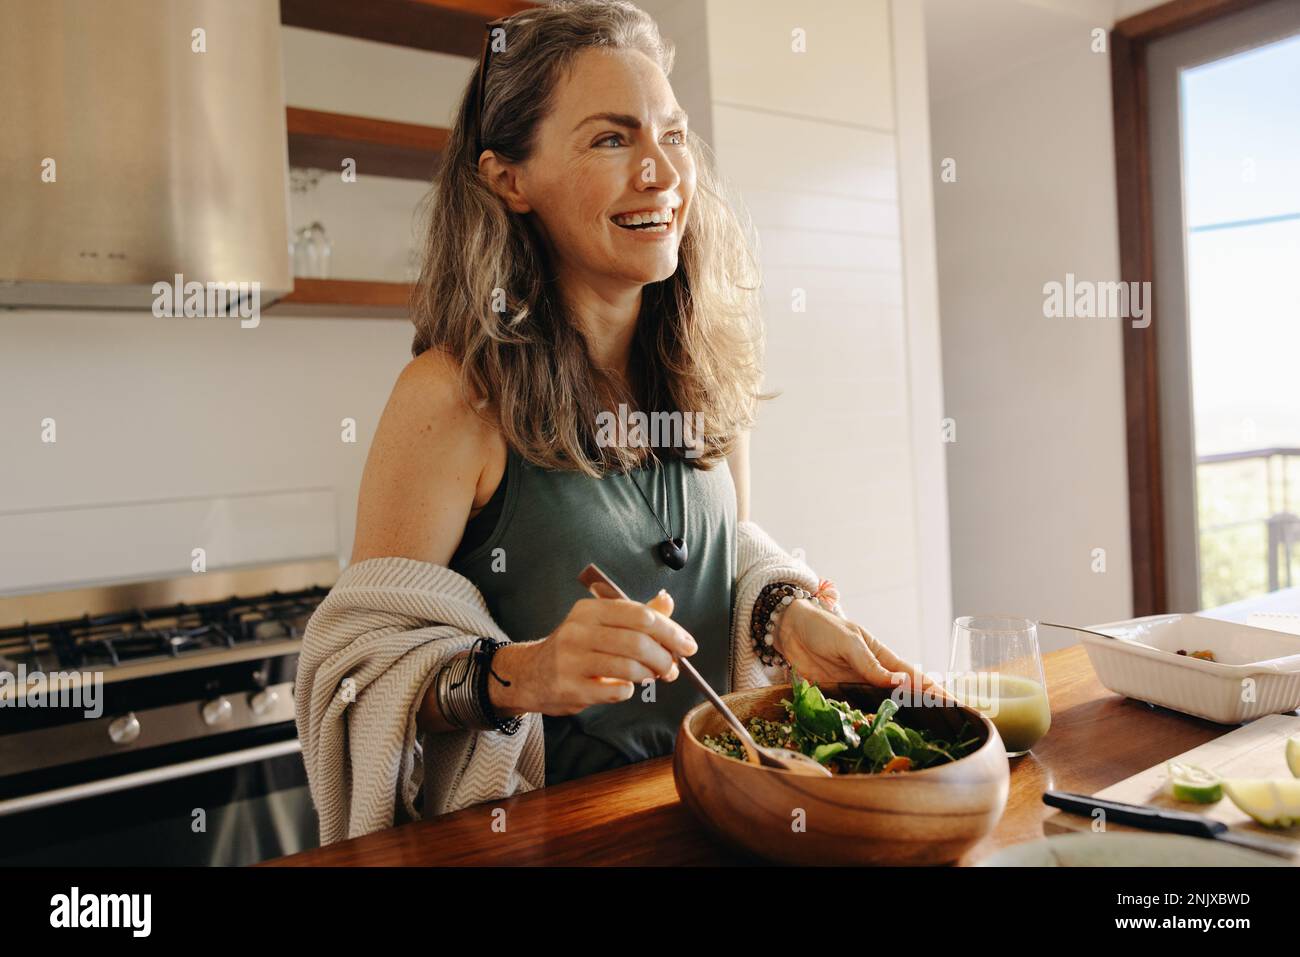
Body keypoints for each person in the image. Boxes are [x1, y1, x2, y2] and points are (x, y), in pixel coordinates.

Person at [300, 0, 931, 837]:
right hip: (553, 842)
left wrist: (788, 616)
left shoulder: (706, 369)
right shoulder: (452, 393)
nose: (662, 174)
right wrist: (520, 673)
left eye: (672, 135)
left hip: (724, 816)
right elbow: (360, 671)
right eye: (611, 138)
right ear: (509, 179)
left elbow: (727, 551)